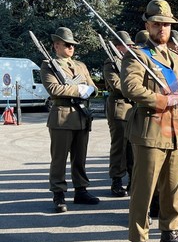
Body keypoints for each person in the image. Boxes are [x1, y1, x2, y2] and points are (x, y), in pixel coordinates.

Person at [121, 0, 178, 242]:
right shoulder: (137, 55)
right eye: (157, 24)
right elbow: (130, 87)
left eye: (166, 24)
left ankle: (170, 234)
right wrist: (164, 100)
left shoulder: (176, 59)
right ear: (148, 25)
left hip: (175, 132)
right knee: (144, 191)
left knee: (173, 188)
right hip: (150, 131)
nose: (162, 29)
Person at [40, 27, 99, 213]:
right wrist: (78, 90)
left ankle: (81, 190)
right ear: (56, 45)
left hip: (81, 116)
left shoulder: (80, 66)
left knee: (80, 157)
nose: (71, 47)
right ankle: (58, 193)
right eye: (67, 44)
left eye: (72, 44)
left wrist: (90, 90)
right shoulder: (48, 65)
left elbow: (93, 87)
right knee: (59, 159)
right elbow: (54, 89)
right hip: (62, 116)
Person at [103, 31, 134, 197]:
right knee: (119, 147)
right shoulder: (111, 62)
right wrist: (136, 91)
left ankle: (132, 179)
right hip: (119, 108)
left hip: (132, 109)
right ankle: (116, 180)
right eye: (126, 44)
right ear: (117, 46)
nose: (129, 47)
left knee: (132, 147)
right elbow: (116, 85)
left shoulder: (130, 62)